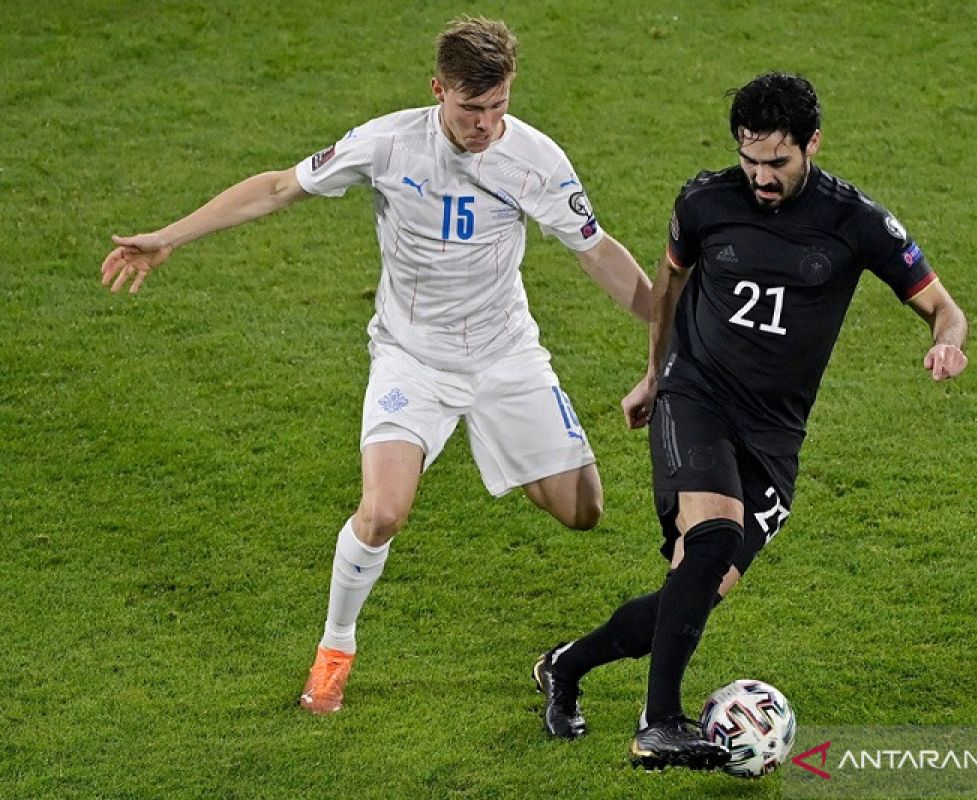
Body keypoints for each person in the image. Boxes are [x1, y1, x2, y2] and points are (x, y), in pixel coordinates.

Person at [101, 16, 652, 716]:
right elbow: (277, 188)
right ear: (438, 90)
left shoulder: (537, 159)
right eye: (469, 108)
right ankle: (335, 649)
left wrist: (669, 321)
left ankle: (502, 444)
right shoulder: (388, 143)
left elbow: (596, 251)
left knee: (583, 512)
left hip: (505, 355)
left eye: (498, 107)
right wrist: (168, 238)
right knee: (383, 511)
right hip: (411, 359)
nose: (484, 124)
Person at [533, 71, 968, 770]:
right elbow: (669, 285)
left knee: (696, 588)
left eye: (778, 162)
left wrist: (946, 340)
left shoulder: (857, 222)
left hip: (774, 436)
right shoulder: (705, 202)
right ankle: (659, 723)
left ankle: (567, 665)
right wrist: (654, 374)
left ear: (812, 144)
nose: (761, 177)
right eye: (750, 159)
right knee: (711, 539)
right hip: (695, 396)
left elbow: (944, 305)